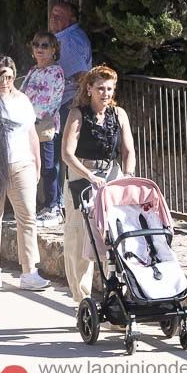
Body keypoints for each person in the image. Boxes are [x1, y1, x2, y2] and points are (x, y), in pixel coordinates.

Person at [60, 65, 136, 305]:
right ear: (89, 89)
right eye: (100, 88)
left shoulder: (118, 114)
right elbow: (67, 153)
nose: (105, 93)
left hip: (111, 173)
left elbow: (128, 149)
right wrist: (89, 175)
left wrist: (127, 174)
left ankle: (114, 295)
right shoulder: (78, 114)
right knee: (80, 235)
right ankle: (82, 299)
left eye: (109, 89)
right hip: (81, 174)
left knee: (113, 234)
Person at [0, 56, 51, 291]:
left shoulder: (22, 99)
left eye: (9, 77)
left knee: (28, 218)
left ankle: (29, 271)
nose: (4, 81)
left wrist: (37, 161)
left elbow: (31, 132)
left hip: (22, 164)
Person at [47, 1, 92, 224]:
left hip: (67, 105)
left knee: (59, 156)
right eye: (52, 15)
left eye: (59, 15)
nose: (53, 19)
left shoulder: (70, 41)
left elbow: (80, 75)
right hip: (64, 104)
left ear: (71, 19)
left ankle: (58, 205)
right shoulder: (65, 38)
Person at [23, 31, 65, 225]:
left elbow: (49, 101)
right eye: (36, 44)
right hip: (28, 127)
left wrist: (28, 113)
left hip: (43, 125)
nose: (39, 48)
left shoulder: (55, 71)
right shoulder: (33, 71)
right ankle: (40, 205)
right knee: (31, 167)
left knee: (49, 167)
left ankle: (54, 206)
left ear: (53, 49)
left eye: (44, 45)